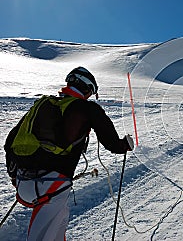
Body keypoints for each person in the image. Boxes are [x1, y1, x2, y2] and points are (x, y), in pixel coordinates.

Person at [4, 66, 133, 240]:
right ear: (87, 88)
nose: (89, 96)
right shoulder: (87, 109)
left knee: (57, 227)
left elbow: (10, 141)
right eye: (91, 92)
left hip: (23, 182)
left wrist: (14, 176)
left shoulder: (43, 104)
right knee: (45, 236)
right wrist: (125, 144)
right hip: (52, 185)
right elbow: (113, 144)